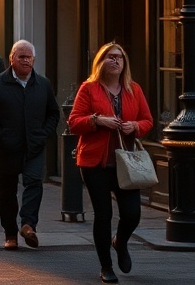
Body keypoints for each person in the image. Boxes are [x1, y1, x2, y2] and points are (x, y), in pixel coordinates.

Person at [68, 42, 153, 284]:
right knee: (103, 215)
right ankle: (106, 267)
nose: (115, 61)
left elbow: (147, 120)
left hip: (126, 163)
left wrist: (134, 126)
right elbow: (74, 122)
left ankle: (121, 242)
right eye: (110, 57)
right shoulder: (89, 88)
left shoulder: (133, 89)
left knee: (132, 214)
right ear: (101, 62)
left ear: (124, 63)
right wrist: (97, 120)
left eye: (119, 57)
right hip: (95, 163)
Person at [0, 39, 61, 251]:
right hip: (6, 148)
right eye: (20, 57)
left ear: (34, 60)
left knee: (34, 184)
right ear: (11, 59)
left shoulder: (43, 84)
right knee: (7, 192)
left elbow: (53, 113)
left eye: (28, 57)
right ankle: (10, 234)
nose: (25, 60)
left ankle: (28, 225)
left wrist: (43, 134)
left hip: (34, 147)